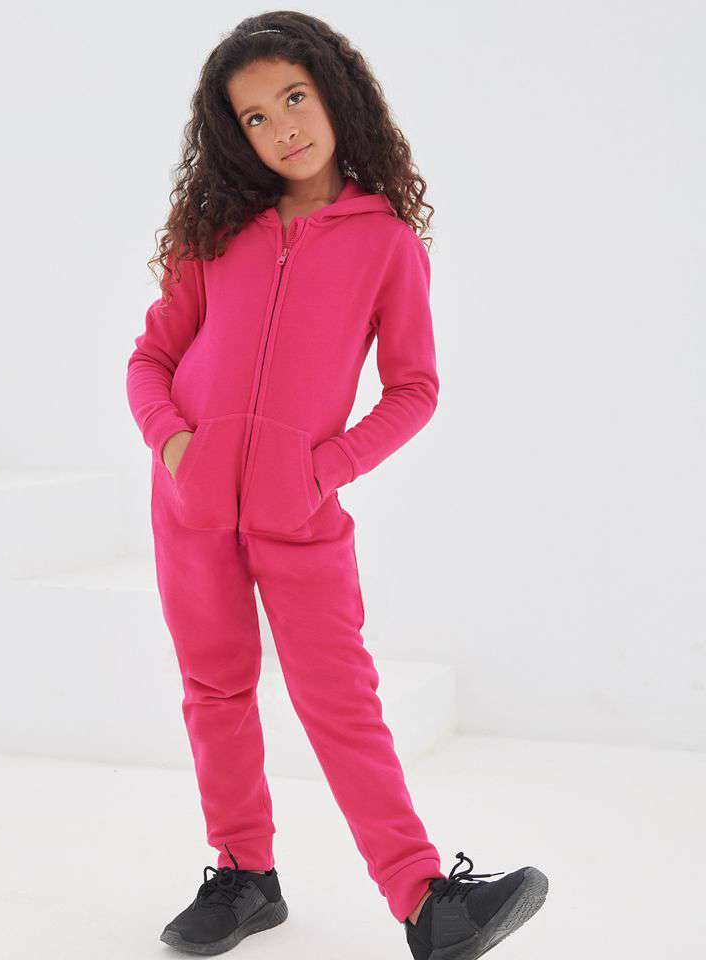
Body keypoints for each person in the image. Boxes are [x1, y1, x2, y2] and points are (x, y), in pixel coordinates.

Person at [125, 12, 548, 958]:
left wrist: (325, 468)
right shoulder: (216, 234)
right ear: (234, 135)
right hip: (192, 510)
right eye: (255, 118)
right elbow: (150, 360)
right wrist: (176, 446)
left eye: (294, 98)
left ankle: (425, 901)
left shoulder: (385, 243)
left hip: (301, 511)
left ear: (333, 95)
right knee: (215, 689)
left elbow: (414, 389)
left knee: (339, 699)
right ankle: (244, 876)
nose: (282, 128)